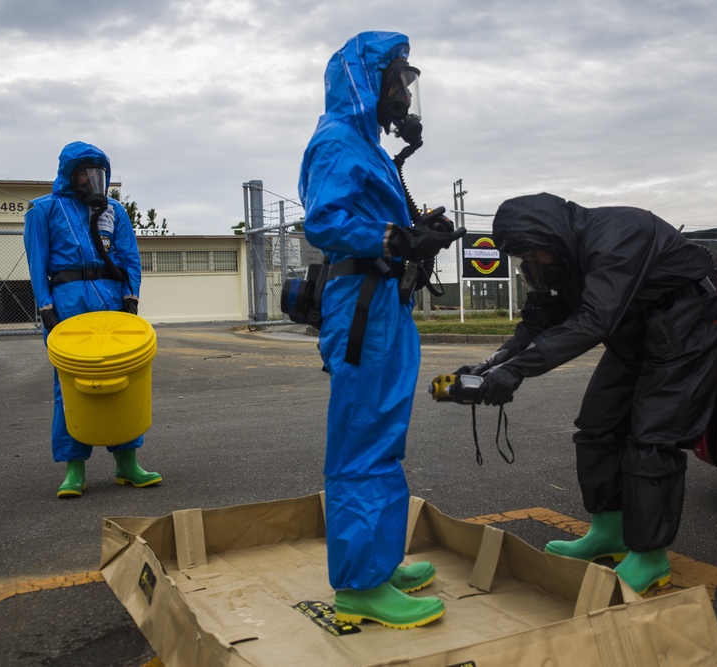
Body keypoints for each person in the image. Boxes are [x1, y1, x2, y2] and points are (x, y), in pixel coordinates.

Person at [456, 193, 717, 594]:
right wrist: (494, 362)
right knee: (597, 426)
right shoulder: (560, 257)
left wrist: (515, 373)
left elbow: (593, 321)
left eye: (530, 255)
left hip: (689, 326)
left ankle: (650, 556)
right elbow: (538, 320)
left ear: (548, 238)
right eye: (522, 259)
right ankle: (610, 532)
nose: (529, 266)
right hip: (636, 332)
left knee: (653, 439)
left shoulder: (620, 235)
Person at [298, 31, 464, 628]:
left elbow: (371, 217)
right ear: (365, 81)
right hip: (363, 306)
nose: (403, 90)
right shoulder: (338, 139)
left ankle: (378, 560)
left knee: (383, 435)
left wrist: (420, 227)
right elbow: (325, 220)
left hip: (385, 305)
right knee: (362, 438)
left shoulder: (365, 145)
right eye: (395, 78)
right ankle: (359, 584)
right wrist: (395, 239)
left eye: (406, 80)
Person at [23, 140, 161, 498]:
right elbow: (37, 262)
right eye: (84, 172)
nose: (91, 179)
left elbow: (129, 256)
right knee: (69, 386)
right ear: (69, 175)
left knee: (124, 378)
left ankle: (127, 464)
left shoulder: (114, 210)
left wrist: (130, 297)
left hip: (111, 300)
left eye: (98, 172)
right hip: (67, 303)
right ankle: (74, 469)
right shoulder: (43, 210)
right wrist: (45, 305)